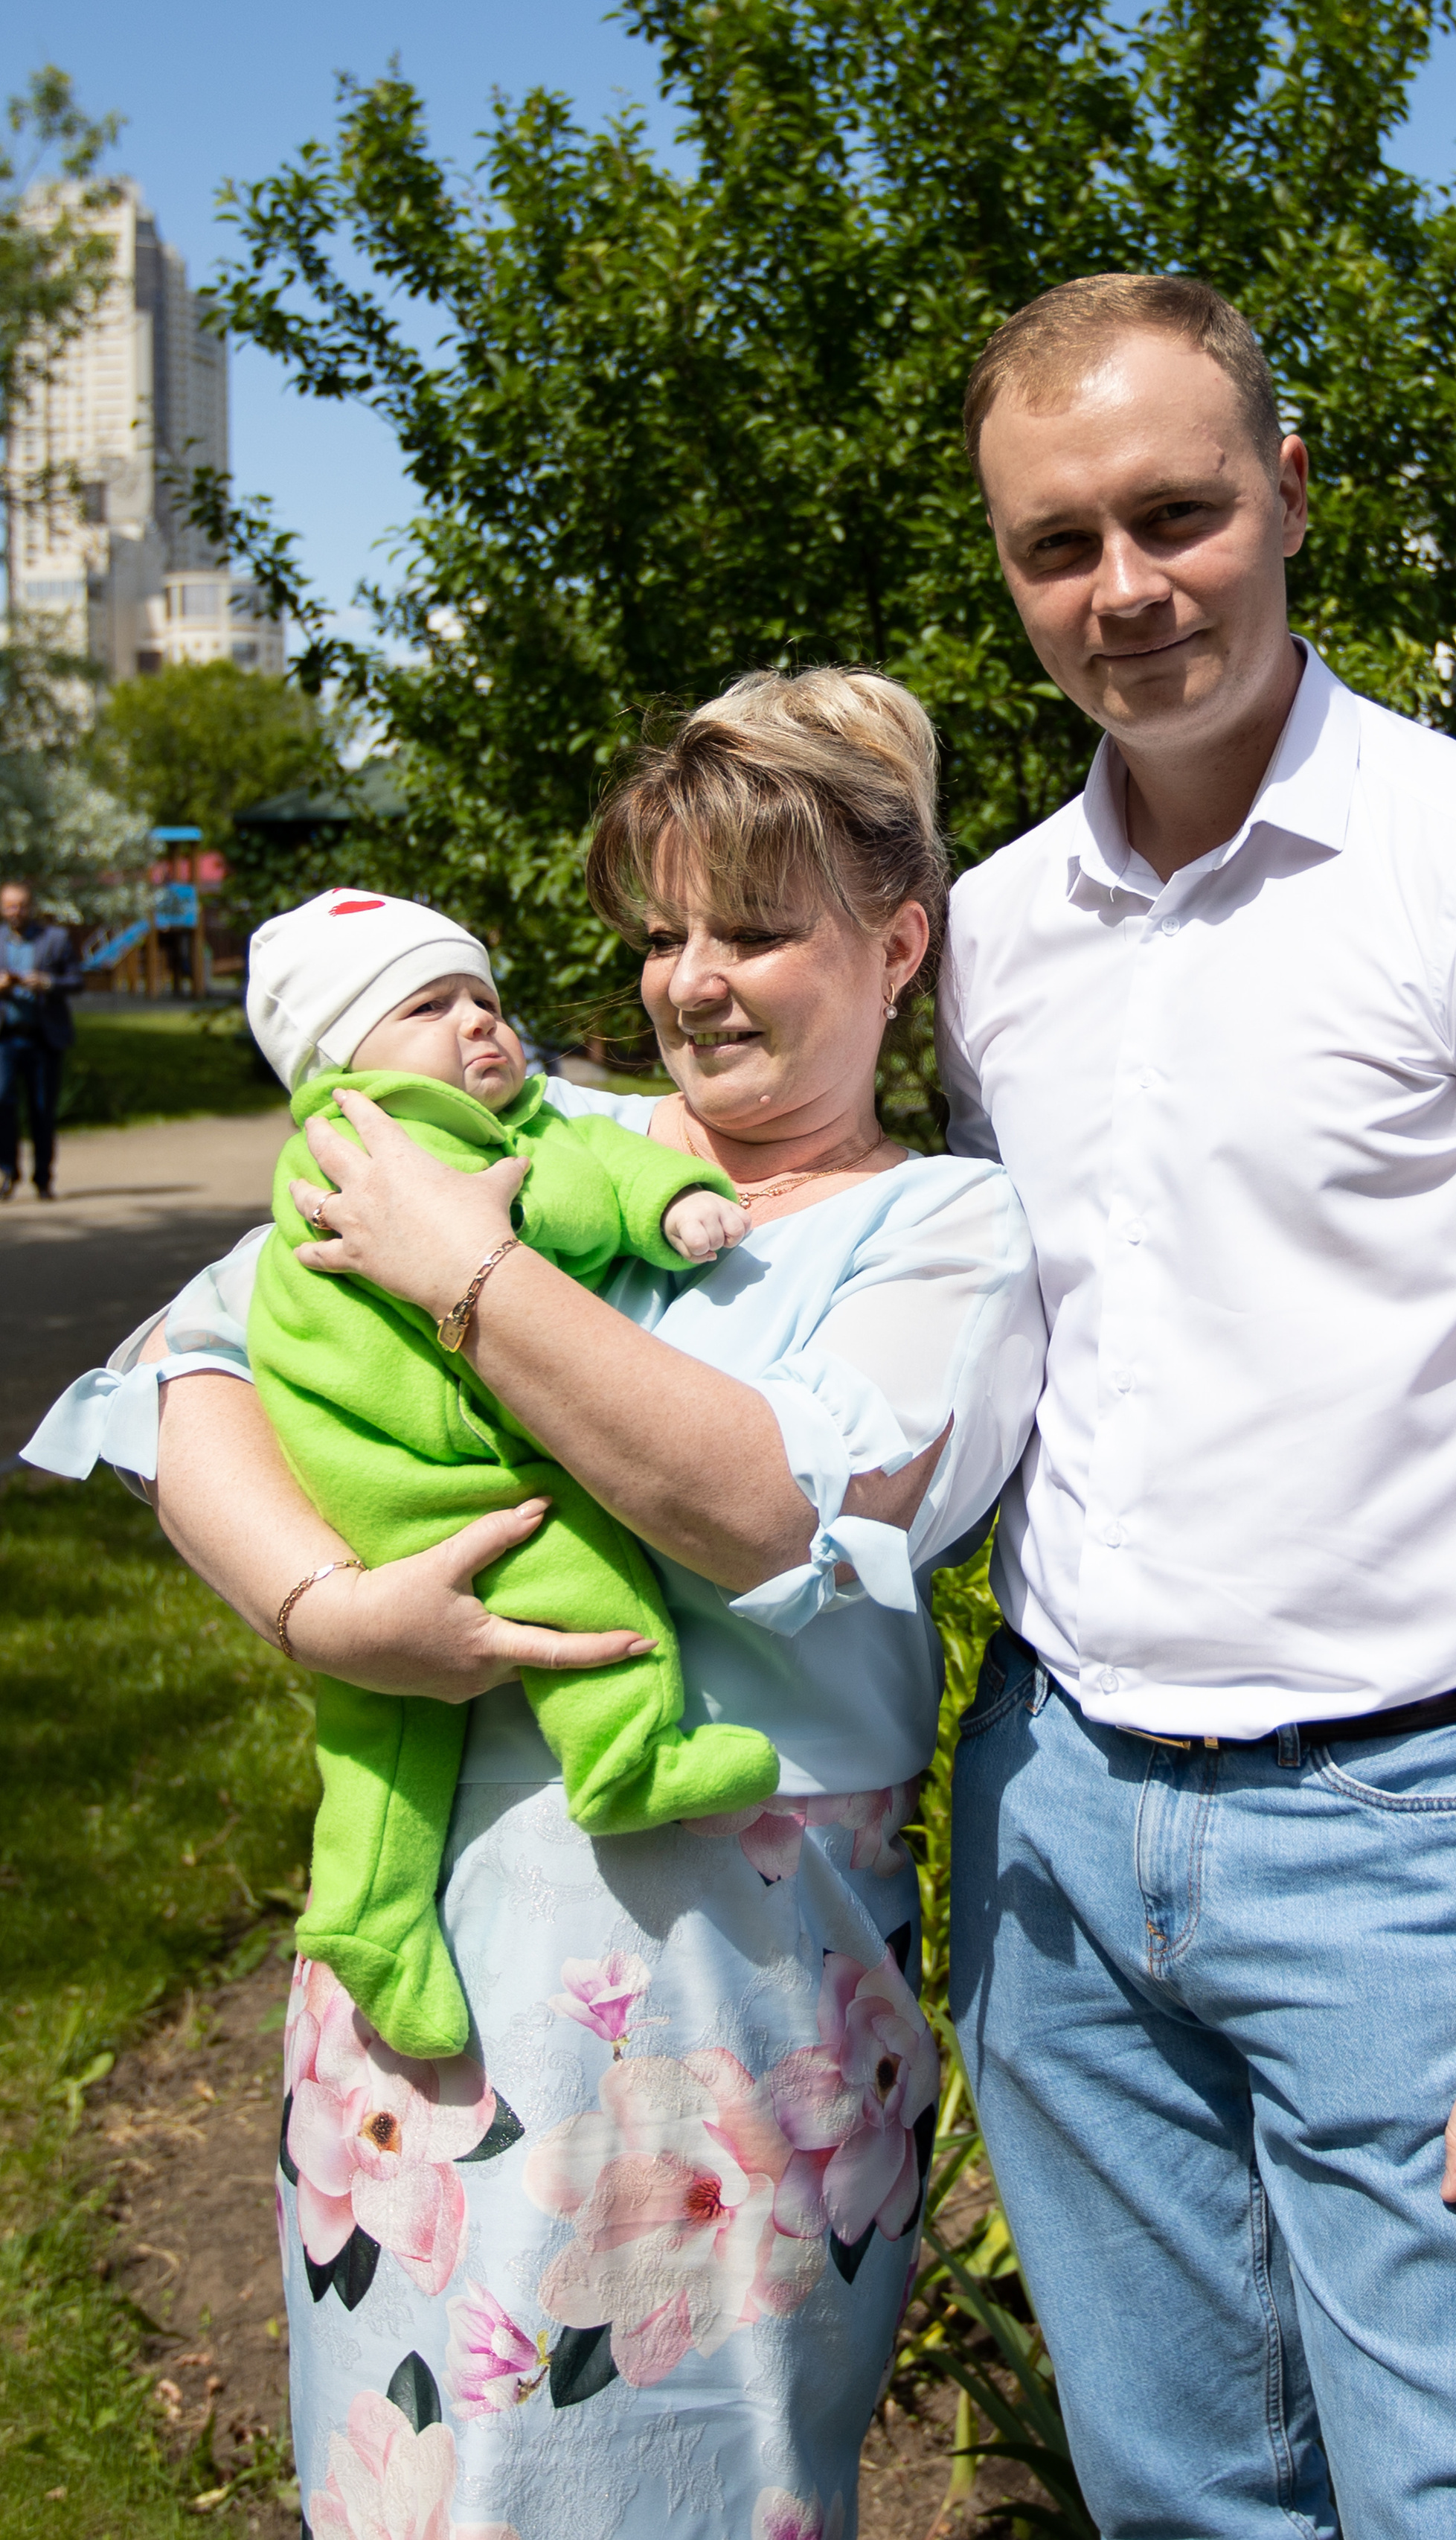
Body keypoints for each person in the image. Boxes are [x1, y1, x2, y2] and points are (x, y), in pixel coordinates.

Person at [27, 668, 1044, 2538]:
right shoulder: (532, 1134)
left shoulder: (945, 1230)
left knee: (693, 2482)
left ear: (897, 946)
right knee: (418, 2476)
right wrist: (326, 1611)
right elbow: (192, 1363)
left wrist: (471, 1273)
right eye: (661, 933)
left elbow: (761, 1506)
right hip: (437, 1931)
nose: (688, 980)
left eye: (752, 928)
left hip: (738, 1995)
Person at [937, 273, 1456, 2539]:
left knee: (1454, 2506)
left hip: (1413, 1834)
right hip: (1062, 1831)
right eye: (1054, 543)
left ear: (1289, 495)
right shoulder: (987, 945)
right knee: (1178, 2502)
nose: (1124, 588)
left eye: (1174, 512)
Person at [224, 885, 775, 2059]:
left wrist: (673, 1191)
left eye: (486, 997)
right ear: (341, 1052)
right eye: (432, 1003)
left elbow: (594, 1155)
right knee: (575, 1566)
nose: (480, 1023)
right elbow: (574, 1189)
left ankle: (366, 1916)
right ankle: (628, 1757)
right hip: (436, 1468)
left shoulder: (475, 1121)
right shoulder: (395, 1137)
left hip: (347, 1497)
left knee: (382, 1730)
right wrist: (655, 1208)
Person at [0, 877, 83, 1200]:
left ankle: (43, 1178)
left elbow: (77, 981)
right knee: (2, 1103)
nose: (15, 912)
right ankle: (7, 1171)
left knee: (42, 1109)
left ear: (31, 907)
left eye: (20, 906)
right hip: (6, 1038)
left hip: (44, 1039)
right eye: (9, 906)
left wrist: (47, 983)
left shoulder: (55, 939)